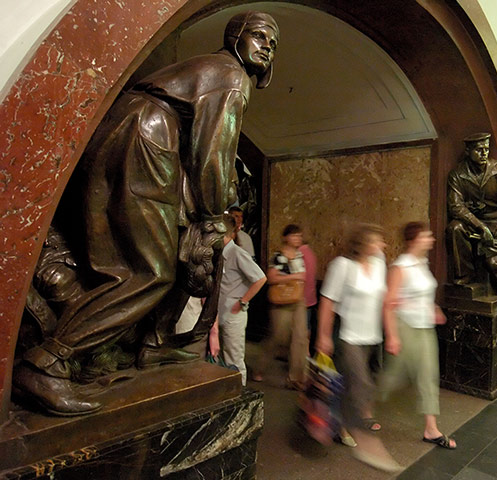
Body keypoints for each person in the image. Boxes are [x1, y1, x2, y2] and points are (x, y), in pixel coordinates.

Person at [13, 11, 279, 416]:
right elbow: (213, 155)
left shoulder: (209, 71)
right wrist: (214, 215)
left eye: (272, 44)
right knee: (149, 272)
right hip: (148, 139)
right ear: (236, 38)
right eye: (259, 36)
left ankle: (152, 344)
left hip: (127, 133)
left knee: (168, 251)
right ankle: (49, 361)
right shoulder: (230, 76)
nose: (266, 47)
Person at [316, 223, 400, 472]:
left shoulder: (378, 264)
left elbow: (383, 298)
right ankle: (368, 447)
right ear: (363, 243)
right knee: (359, 385)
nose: (382, 245)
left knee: (358, 384)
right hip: (348, 337)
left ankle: (338, 424)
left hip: (372, 338)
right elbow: (327, 302)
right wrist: (323, 336)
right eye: (377, 241)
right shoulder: (342, 267)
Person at [380, 222, 457, 450]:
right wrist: (392, 336)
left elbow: (422, 294)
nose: (431, 240)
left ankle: (431, 429)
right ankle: (360, 406)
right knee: (394, 377)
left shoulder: (422, 263)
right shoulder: (400, 267)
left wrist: (434, 308)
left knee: (428, 375)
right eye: (427, 236)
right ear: (413, 240)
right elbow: (388, 304)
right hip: (405, 326)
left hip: (424, 328)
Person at [446, 132, 497, 295]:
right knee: (455, 228)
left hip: (496, 222)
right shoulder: (458, 174)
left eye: (486, 149)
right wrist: (479, 226)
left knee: (494, 260)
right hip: (473, 222)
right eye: (478, 150)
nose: (484, 153)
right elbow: (455, 205)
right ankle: (465, 275)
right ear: (468, 151)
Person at [254, 224, 308, 389]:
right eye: (294, 236)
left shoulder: (299, 255)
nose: (297, 239)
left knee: (300, 337)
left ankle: (296, 378)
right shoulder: (278, 257)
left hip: (298, 300)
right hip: (281, 301)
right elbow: (271, 278)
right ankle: (260, 367)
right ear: (286, 237)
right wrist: (292, 277)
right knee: (278, 337)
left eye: (299, 236)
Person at [214, 214, 266, 384]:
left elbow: (260, 278)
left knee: (234, 359)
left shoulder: (237, 253)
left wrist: (243, 301)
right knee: (222, 358)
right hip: (220, 312)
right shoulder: (219, 254)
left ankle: (240, 393)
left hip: (233, 314)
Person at [299, 237, 319, 356]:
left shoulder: (299, 255)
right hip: (311, 298)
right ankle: (306, 352)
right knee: (307, 327)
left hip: (300, 298)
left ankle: (304, 354)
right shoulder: (311, 254)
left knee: (301, 329)